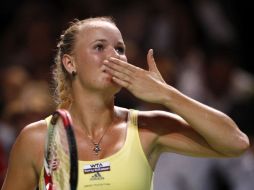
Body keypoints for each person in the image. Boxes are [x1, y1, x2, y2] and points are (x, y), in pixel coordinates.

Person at [1, 16, 249, 190]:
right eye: (99, 47)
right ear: (70, 63)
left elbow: (236, 143)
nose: (114, 56)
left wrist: (168, 95)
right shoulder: (36, 139)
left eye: (120, 49)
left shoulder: (147, 129)